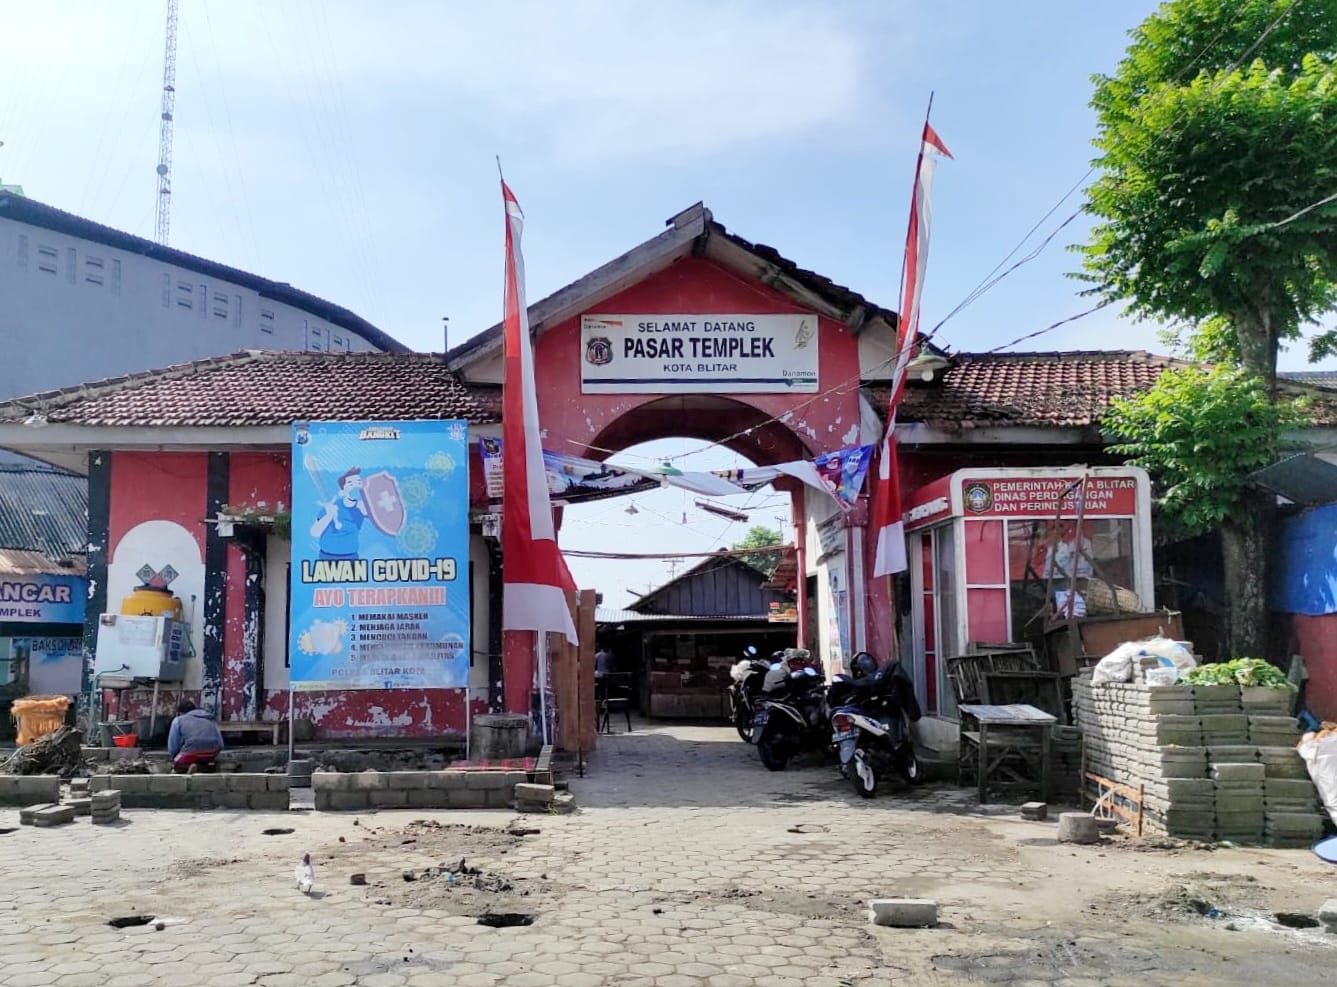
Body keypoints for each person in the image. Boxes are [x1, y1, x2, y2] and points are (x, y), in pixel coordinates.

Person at [310, 467, 370, 560]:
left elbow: (384, 520)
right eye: (350, 483)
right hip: (327, 558)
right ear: (342, 491)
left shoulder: (363, 506)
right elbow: (314, 532)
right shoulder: (331, 505)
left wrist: (369, 510)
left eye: (358, 482)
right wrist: (329, 515)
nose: (355, 486)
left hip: (351, 557)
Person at [167, 700, 224, 773]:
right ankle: (200, 767)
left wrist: (174, 757)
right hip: (210, 754)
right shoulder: (210, 719)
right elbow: (221, 743)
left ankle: (185, 769)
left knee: (177, 766)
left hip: (189, 754)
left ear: (180, 713)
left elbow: (173, 745)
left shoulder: (178, 720)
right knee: (205, 761)